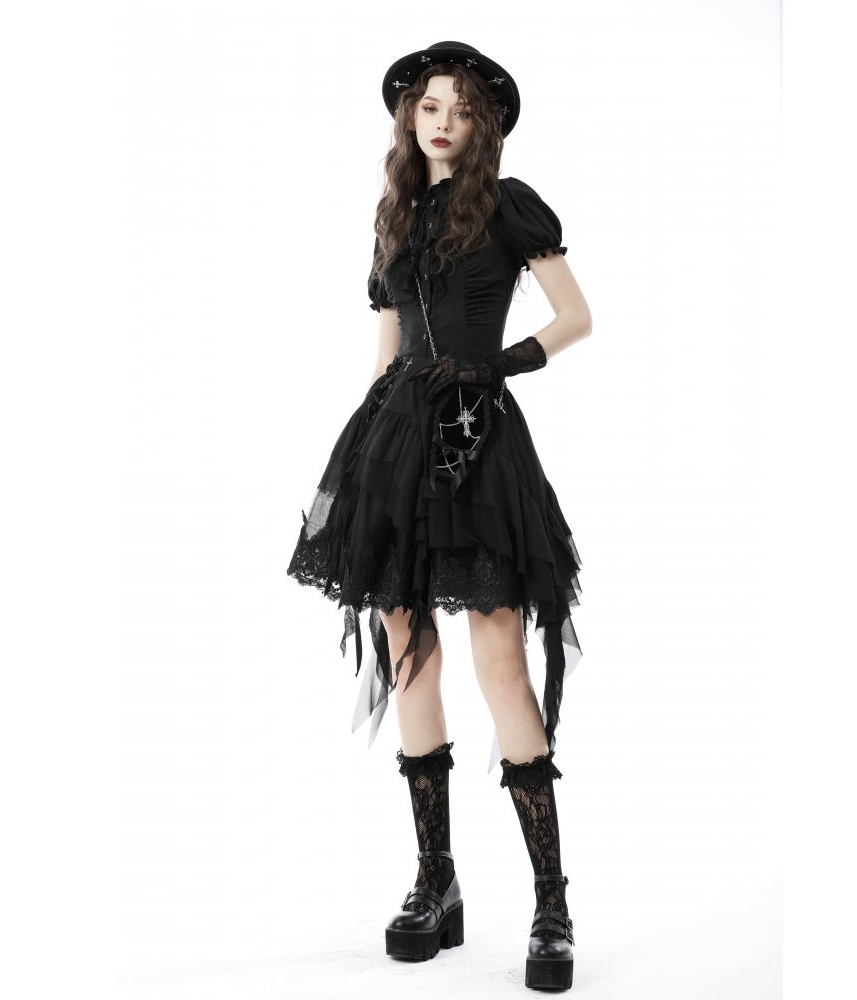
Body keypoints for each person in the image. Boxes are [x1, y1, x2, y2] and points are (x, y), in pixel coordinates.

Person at [286, 41, 592, 990]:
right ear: (409, 118)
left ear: (481, 122)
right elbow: (386, 354)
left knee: (501, 661)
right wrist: (358, 459)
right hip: (397, 447)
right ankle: (436, 882)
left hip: (480, 442)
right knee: (408, 648)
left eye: (460, 108)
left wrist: (496, 367)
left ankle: (551, 902)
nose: (443, 121)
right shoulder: (394, 217)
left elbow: (575, 317)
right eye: (429, 107)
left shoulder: (507, 205)